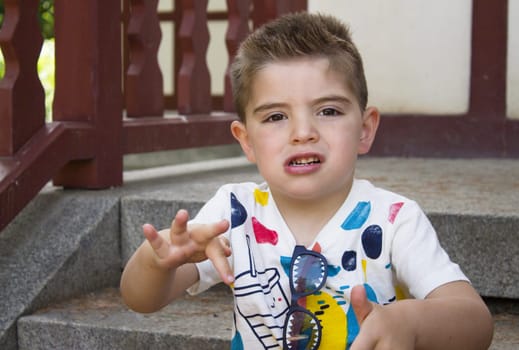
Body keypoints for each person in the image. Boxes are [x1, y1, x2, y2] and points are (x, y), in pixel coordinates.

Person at [120, 11, 493, 350]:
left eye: (328, 110)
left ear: (365, 129)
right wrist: (160, 259)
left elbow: (475, 323)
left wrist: (408, 322)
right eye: (275, 117)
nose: (302, 132)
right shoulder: (233, 213)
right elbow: (140, 298)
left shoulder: (394, 220)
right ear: (246, 140)